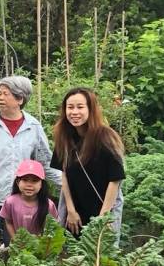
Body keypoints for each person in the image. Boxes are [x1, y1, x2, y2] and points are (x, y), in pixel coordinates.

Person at [0, 75, 64, 253]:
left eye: (6, 94)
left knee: (17, 251)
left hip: (21, 200)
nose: (0, 98)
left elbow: (45, 163)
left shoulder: (33, 127)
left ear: (20, 99)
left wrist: (68, 185)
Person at [52, 87, 127, 234]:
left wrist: (103, 217)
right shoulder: (64, 138)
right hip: (76, 211)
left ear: (91, 109)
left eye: (80, 107)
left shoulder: (105, 137)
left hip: (104, 208)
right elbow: (64, 175)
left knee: (101, 254)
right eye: (70, 107)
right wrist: (70, 210)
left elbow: (115, 179)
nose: (74, 112)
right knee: (73, 253)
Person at [0, 159, 62, 242]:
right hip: (19, 246)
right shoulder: (10, 202)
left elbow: (54, 227)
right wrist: (15, 240)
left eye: (34, 181)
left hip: (41, 249)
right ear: (18, 182)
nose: (29, 185)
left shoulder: (49, 205)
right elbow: (8, 222)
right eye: (25, 180)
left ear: (41, 184)